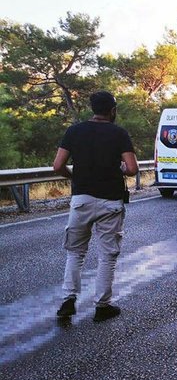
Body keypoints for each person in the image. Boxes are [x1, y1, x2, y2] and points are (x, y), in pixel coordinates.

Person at [52, 91, 138, 322]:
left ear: (92, 108)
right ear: (112, 110)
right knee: (107, 255)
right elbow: (131, 168)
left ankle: (68, 300)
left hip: (81, 199)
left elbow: (57, 165)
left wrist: (74, 177)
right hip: (110, 201)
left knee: (75, 252)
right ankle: (102, 306)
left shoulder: (74, 131)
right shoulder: (119, 133)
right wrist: (117, 169)